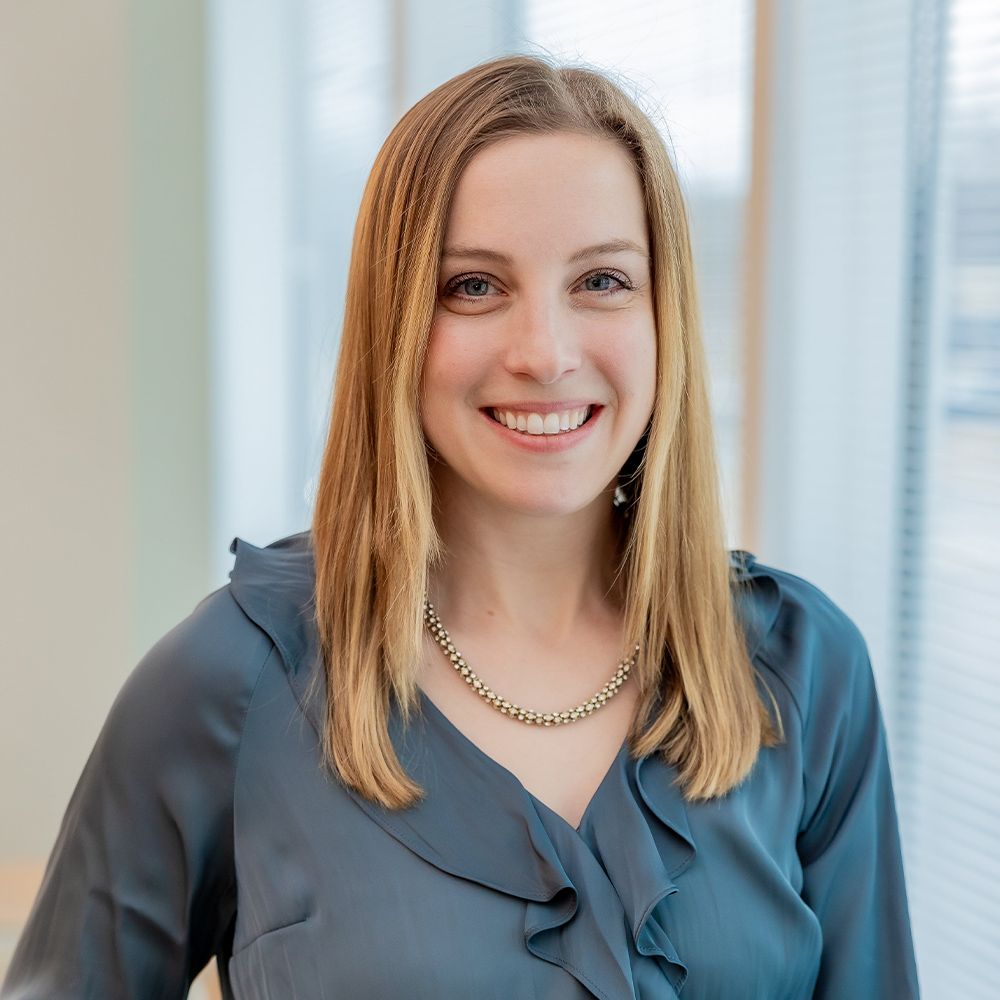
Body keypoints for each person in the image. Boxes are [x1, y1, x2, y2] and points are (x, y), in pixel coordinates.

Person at [2, 54, 920, 1000]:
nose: (545, 353)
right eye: (474, 287)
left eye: (601, 280)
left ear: (665, 317)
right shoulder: (233, 680)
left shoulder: (806, 671)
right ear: (394, 323)